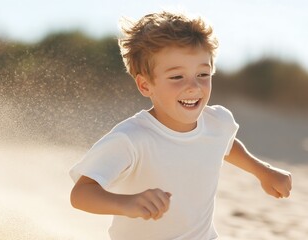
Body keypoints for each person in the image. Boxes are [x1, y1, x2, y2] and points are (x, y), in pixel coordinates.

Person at [69, 11, 292, 240]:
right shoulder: (132, 138)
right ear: (145, 86)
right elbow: (81, 194)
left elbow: (225, 144)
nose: (193, 86)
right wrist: (126, 203)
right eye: (177, 77)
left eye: (203, 74)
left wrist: (263, 171)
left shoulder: (217, 122)